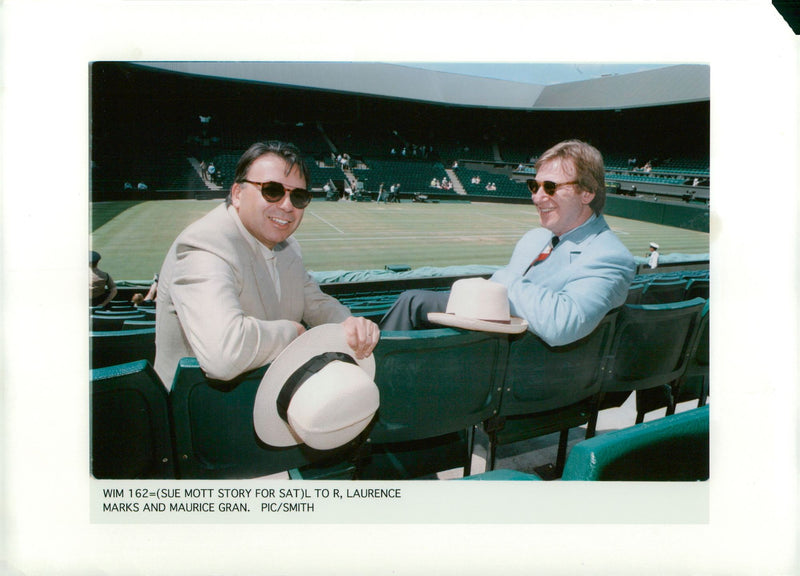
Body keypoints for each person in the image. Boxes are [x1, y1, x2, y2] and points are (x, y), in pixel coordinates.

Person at [154, 141, 380, 387]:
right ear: (237, 194)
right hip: (202, 408)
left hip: (269, 392)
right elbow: (223, 354)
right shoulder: (205, 244)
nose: (286, 205)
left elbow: (313, 301)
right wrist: (293, 334)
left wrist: (348, 325)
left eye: (299, 196)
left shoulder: (288, 246)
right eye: (272, 190)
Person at [380, 139, 636, 347]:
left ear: (587, 192)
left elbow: (563, 324)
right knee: (411, 302)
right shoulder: (535, 238)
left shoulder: (609, 256)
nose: (537, 198)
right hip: (496, 335)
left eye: (549, 187)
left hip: (522, 366)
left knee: (413, 303)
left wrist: (502, 280)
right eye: (534, 186)